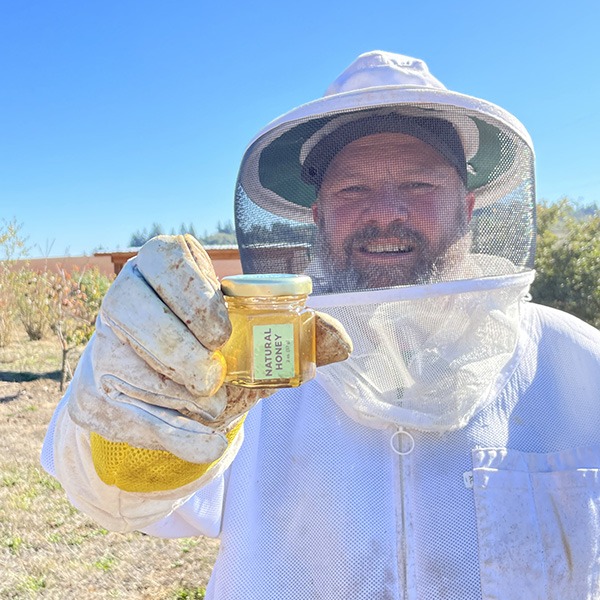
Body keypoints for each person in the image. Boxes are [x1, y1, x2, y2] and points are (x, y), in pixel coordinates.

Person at [42, 51, 600, 599]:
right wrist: (144, 404)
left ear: (469, 205)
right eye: (354, 190)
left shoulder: (575, 362)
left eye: (419, 187)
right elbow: (111, 496)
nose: (386, 213)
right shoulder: (252, 358)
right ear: (319, 214)